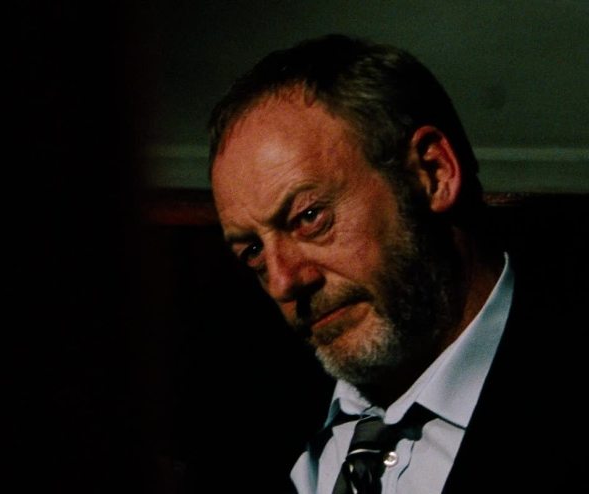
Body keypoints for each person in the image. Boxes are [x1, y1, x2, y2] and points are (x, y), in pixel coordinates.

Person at [207, 34, 586, 493]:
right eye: (252, 251)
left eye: (309, 218)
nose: (283, 282)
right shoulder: (236, 424)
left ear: (433, 174)